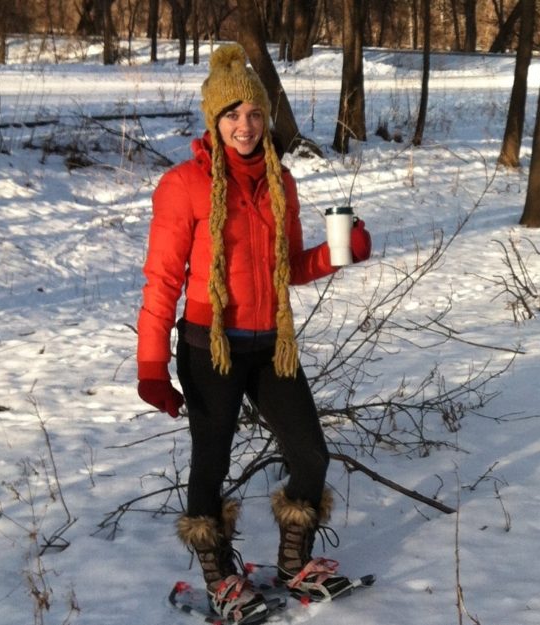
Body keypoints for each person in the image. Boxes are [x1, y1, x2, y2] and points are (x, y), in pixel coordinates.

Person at [135, 44, 371, 624]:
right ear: (213, 121)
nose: (244, 126)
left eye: (255, 114)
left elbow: (287, 265)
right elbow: (163, 279)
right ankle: (220, 580)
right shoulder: (183, 186)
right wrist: (150, 367)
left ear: (267, 118)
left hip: (271, 346)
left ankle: (294, 564)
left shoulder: (280, 182)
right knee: (209, 466)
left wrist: (339, 255)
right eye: (232, 114)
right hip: (207, 348)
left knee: (310, 454)